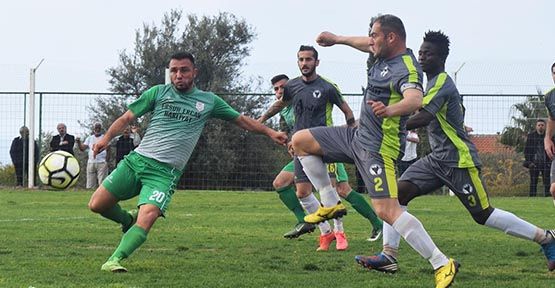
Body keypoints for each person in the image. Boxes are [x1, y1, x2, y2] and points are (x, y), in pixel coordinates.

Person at [364, 30, 555, 281]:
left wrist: (385, 120)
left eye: (427, 53)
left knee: (483, 214)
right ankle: (389, 255)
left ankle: (545, 237)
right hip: (435, 160)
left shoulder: (443, 81)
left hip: (458, 160)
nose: (421, 57)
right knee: (395, 195)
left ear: (441, 57)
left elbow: (422, 117)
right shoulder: (425, 83)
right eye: (420, 52)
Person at [294, 15, 458, 288]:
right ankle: (331, 202)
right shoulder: (383, 54)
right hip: (356, 136)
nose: (370, 40)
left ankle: (441, 262)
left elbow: (415, 99)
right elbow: (363, 43)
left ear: (390, 38)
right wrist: (336, 39)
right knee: (300, 141)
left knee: (386, 210)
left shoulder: (407, 67)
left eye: (375, 35)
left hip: (378, 149)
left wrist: (390, 110)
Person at [88, 52, 287, 273]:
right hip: (136, 161)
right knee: (96, 204)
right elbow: (127, 118)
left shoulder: (208, 101)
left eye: (184, 70)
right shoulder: (158, 93)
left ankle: (114, 260)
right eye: (174, 70)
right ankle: (126, 220)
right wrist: (106, 138)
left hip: (164, 173)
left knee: (148, 215)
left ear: (194, 72)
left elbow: (241, 120)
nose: (178, 75)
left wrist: (270, 132)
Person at [260, 46, 382, 251]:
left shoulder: (327, 87)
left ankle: (344, 233)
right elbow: (280, 104)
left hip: (324, 145)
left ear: (317, 62)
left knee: (336, 189)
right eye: (301, 59)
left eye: (308, 59)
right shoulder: (293, 87)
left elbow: (347, 111)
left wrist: (353, 138)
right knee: (302, 192)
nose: (304, 63)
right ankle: (326, 233)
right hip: (301, 150)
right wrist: (261, 119)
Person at [76, 122, 109, 189]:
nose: (97, 129)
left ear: (101, 129)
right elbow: (82, 148)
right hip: (91, 162)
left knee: (102, 183)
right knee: (90, 184)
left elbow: (108, 149)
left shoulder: (104, 138)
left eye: (98, 128)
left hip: (101, 162)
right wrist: (79, 142)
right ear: (93, 129)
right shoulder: (89, 138)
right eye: (96, 128)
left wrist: (106, 161)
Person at [524, 119, 550, 197]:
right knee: (533, 182)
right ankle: (532, 198)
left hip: (546, 163)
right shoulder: (531, 136)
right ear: (536, 126)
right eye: (539, 125)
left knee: (547, 182)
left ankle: (548, 197)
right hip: (534, 163)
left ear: (545, 126)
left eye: (542, 125)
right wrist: (529, 162)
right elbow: (527, 150)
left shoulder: (549, 136)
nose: (540, 127)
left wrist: (550, 162)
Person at [544, 61, 555, 206]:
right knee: (554, 189)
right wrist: (547, 138)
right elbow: (552, 118)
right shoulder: (549, 97)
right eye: (554, 73)